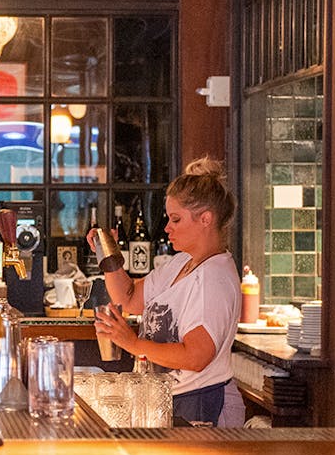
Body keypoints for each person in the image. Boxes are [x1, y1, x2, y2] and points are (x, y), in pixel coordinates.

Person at [92, 157, 244, 427]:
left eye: (176, 219)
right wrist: (107, 254)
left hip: (202, 403)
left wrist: (133, 343)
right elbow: (127, 298)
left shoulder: (214, 278)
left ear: (206, 219)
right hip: (172, 399)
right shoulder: (181, 263)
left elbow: (196, 357)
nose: (167, 227)